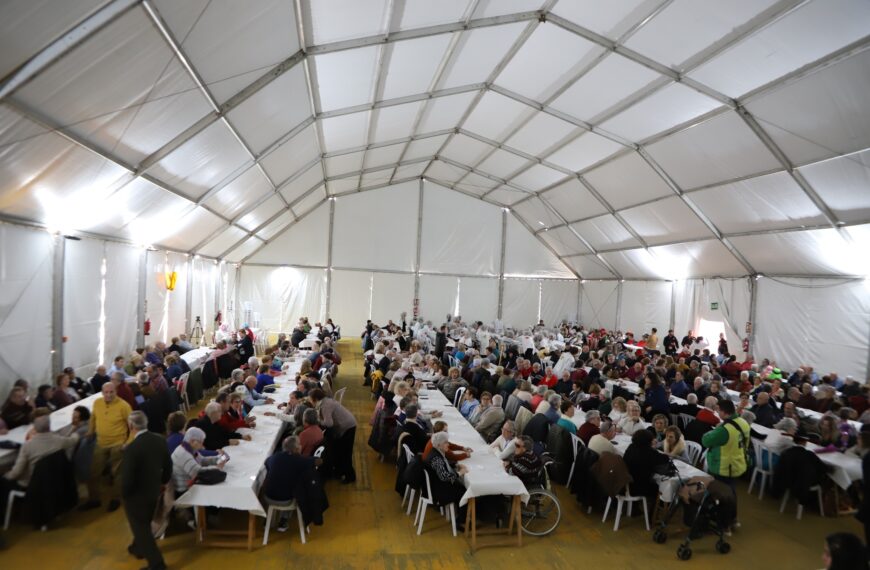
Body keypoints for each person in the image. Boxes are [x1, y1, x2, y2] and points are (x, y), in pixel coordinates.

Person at [121, 411, 172, 570]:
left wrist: (125, 493)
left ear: (131, 426)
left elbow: (127, 477)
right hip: (154, 490)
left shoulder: (132, 448)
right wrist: (162, 482)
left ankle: (157, 564)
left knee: (141, 527)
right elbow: (168, 465)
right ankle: (137, 548)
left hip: (137, 495)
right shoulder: (160, 440)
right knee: (142, 524)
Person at [1, 415, 79, 514]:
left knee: (4, 481)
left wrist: (5, 475)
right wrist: (75, 430)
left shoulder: (27, 446)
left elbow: (16, 472)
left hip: (32, 483)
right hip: (55, 479)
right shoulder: (58, 440)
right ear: (49, 426)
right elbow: (73, 440)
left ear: (35, 428)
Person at [81, 382, 132, 512]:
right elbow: (93, 418)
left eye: (111, 392)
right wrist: (90, 431)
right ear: (102, 393)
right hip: (101, 442)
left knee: (117, 473)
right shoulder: (97, 403)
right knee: (94, 471)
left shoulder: (124, 406)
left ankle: (116, 499)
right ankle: (94, 499)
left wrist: (128, 442)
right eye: (106, 392)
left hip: (118, 444)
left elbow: (133, 427)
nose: (109, 395)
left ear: (116, 392)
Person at [702, 399, 749, 528]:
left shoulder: (725, 430)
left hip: (723, 466)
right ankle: (734, 519)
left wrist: (714, 430)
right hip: (737, 463)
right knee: (732, 493)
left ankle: (724, 524)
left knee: (722, 495)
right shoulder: (743, 422)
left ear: (723, 412)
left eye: (718, 410)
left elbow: (706, 441)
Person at [310, 389, 357, 483]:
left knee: (345, 453)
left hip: (347, 427)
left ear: (315, 399)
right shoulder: (325, 401)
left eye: (311, 399)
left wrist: (318, 420)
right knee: (338, 450)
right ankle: (339, 472)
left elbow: (329, 423)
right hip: (345, 425)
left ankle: (350, 476)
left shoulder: (325, 405)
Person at [426, 431, 468, 527]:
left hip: (437, 485)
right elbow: (444, 476)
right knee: (464, 491)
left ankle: (461, 515)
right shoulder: (436, 458)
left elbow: (444, 464)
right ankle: (460, 522)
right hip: (439, 491)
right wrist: (460, 473)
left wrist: (455, 465)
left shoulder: (436, 451)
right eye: (446, 442)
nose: (448, 444)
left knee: (461, 487)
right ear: (439, 444)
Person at [623, 428, 669, 501]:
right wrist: (653, 448)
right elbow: (665, 458)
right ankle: (653, 511)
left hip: (626, 483)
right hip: (637, 488)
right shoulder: (649, 452)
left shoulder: (631, 446)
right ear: (649, 441)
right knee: (659, 488)